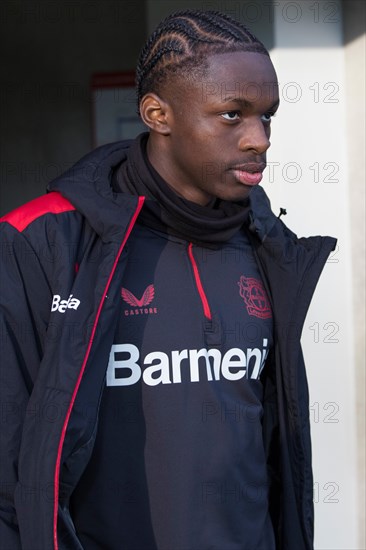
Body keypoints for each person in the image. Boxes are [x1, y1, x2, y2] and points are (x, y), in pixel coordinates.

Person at [0, 9, 336, 550]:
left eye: (267, 117)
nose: (259, 140)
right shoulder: (41, 240)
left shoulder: (269, 244)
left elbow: (275, 451)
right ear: (158, 114)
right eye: (232, 114)